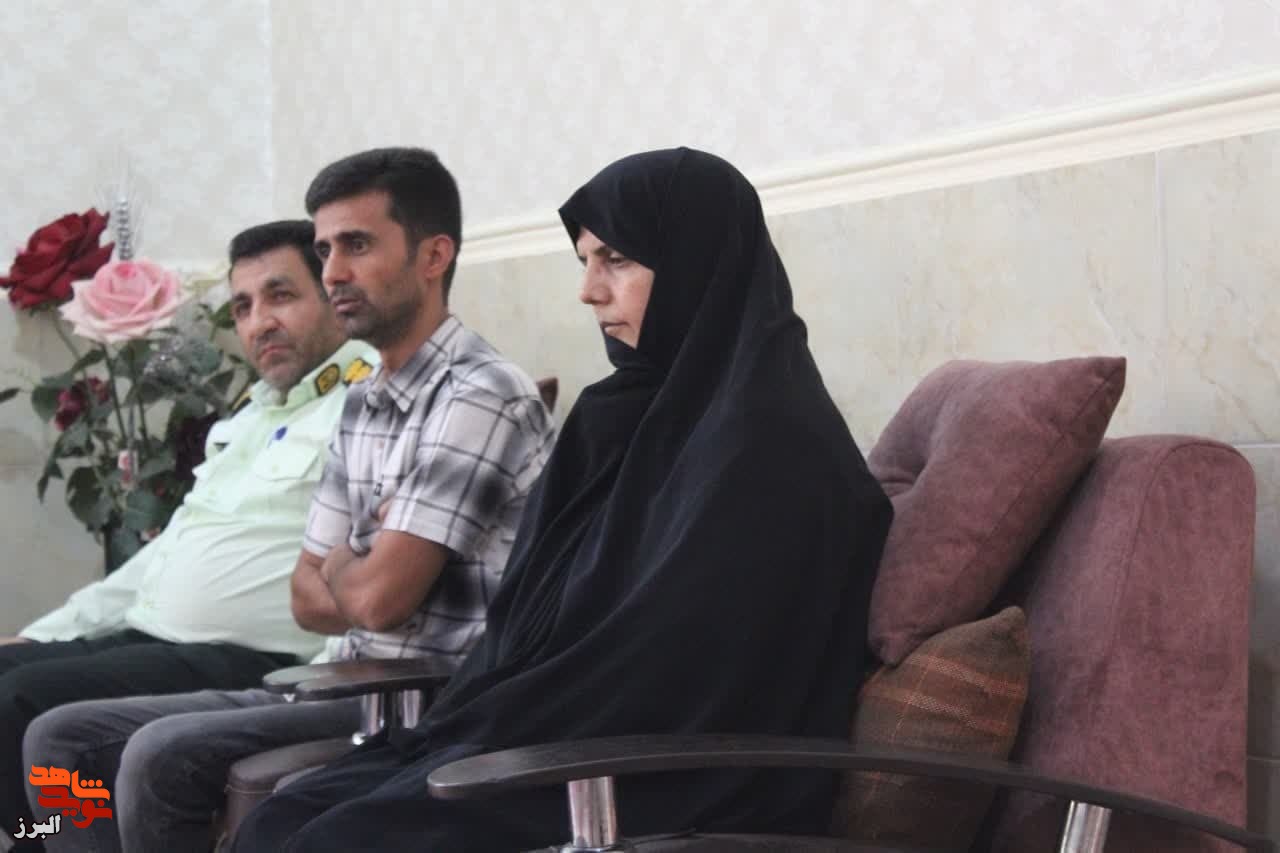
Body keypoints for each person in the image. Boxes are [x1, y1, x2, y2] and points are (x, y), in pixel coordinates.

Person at [231, 147, 893, 852]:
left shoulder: (774, 445)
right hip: (543, 733)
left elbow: (681, 668)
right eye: (585, 261)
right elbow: (531, 621)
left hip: (657, 770)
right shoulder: (617, 419)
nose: (589, 291)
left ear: (697, 260)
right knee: (283, 816)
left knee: (335, 840)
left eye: (617, 260)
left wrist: (505, 730)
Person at [22, 147, 555, 853]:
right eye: (327, 249)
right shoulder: (364, 400)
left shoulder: (479, 392)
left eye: (356, 245)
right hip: (339, 676)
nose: (334, 271)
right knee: (60, 736)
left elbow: (376, 600)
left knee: (154, 753)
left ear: (434, 256)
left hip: (426, 696)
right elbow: (310, 598)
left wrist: (343, 565)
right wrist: (358, 561)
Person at [0, 219, 368, 847]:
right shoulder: (252, 416)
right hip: (157, 637)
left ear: (335, 296)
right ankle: (45, 838)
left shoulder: (366, 403)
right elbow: (162, 556)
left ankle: (49, 839)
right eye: (243, 307)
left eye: (281, 296)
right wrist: (43, 632)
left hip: (253, 658)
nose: (259, 323)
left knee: (21, 699)